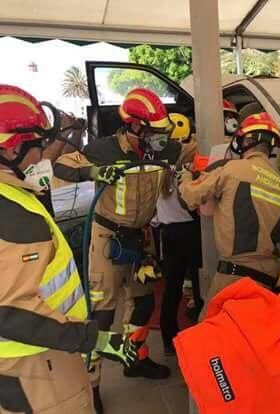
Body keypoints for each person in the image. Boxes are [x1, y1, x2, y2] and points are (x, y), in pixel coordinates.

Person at [0, 85, 137, 414]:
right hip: (35, 363)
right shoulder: (14, 213)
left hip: (33, 355)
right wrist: (95, 339)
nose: (43, 155)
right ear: (10, 149)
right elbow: (10, 312)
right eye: (38, 145)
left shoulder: (13, 196)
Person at [54, 88, 181, 411]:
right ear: (133, 126)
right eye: (152, 132)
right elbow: (61, 166)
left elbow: (189, 153)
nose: (159, 139)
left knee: (142, 304)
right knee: (102, 314)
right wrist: (94, 172)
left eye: (161, 133)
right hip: (107, 238)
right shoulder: (103, 149)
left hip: (140, 239)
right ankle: (92, 383)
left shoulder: (163, 152)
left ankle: (134, 358)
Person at [179, 112, 280, 305]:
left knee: (210, 329)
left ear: (245, 140)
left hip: (235, 275)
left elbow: (192, 197)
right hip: (270, 276)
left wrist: (185, 177)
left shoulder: (233, 169)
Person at [155, 113, 203, 356]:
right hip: (191, 230)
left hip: (168, 233)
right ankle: (203, 331)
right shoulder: (189, 166)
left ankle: (168, 338)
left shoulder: (156, 168)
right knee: (198, 283)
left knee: (171, 287)